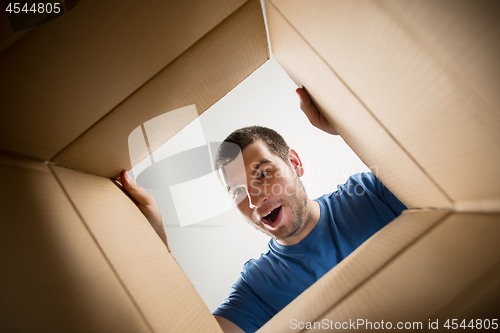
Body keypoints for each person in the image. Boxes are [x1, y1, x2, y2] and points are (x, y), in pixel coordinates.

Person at [120, 88, 406, 333]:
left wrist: (352, 125)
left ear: (294, 163)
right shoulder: (257, 285)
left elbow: (443, 170)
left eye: (262, 174)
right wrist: (156, 249)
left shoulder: (371, 193)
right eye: (238, 192)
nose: (255, 202)